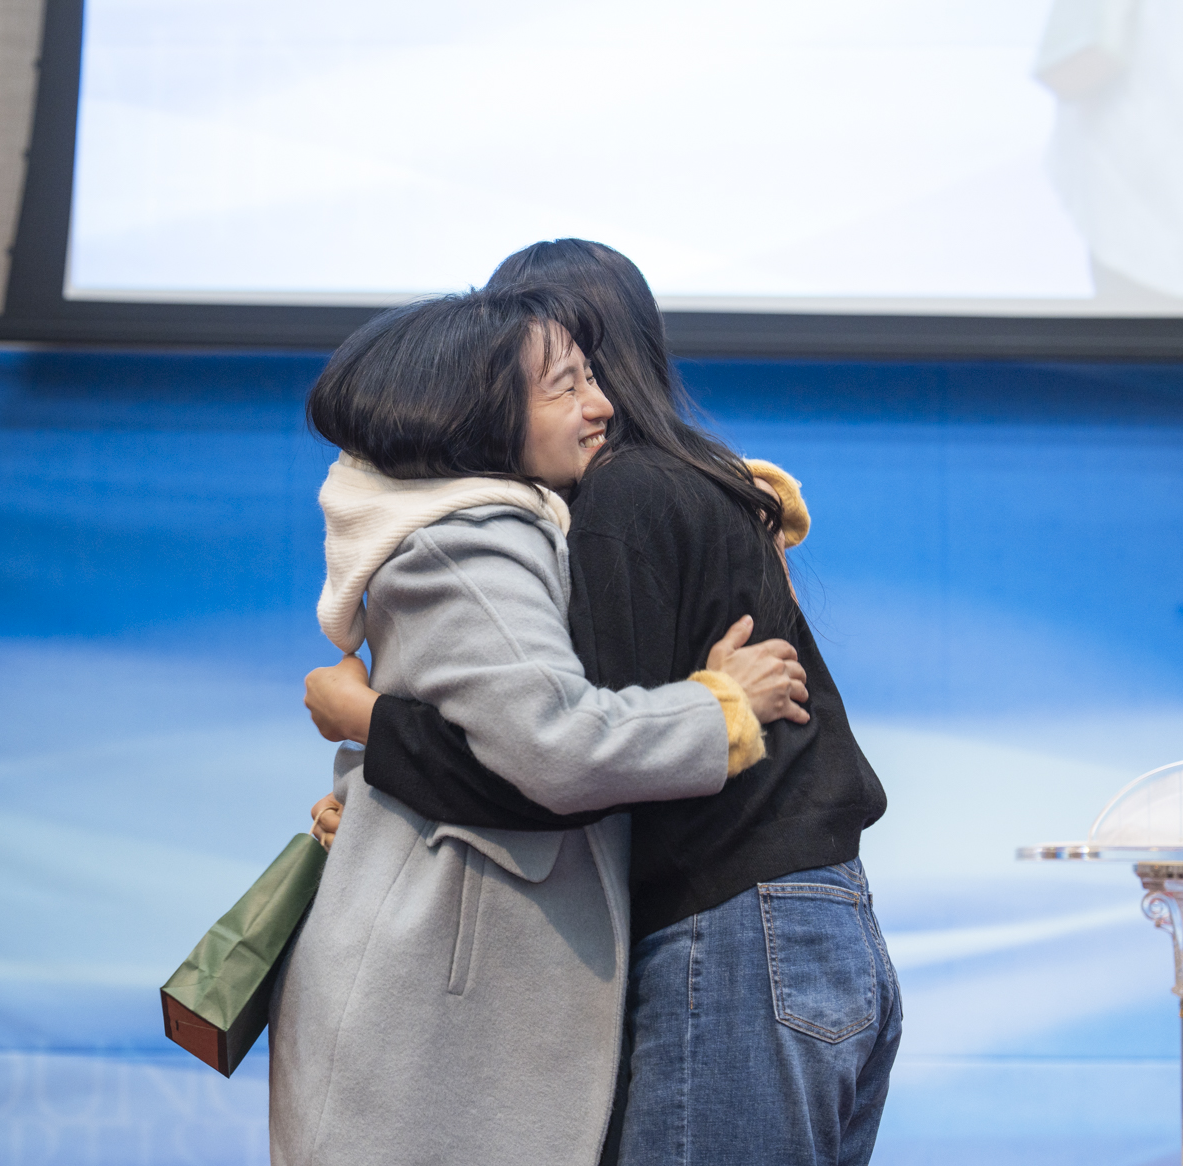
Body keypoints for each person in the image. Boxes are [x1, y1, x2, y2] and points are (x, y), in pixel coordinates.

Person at [302, 239, 900, 1166]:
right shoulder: (689, 484)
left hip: (737, 937)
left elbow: (552, 766)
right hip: (809, 935)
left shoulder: (621, 500)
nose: (587, 402)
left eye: (571, 370)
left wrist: (371, 727)